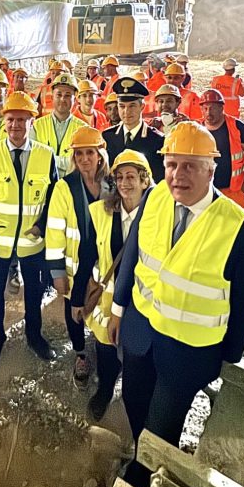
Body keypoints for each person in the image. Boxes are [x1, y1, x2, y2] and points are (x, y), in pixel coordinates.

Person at [109, 122, 244, 487]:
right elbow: (134, 254)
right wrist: (119, 310)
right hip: (141, 338)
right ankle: (144, 461)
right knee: (137, 409)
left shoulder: (237, 229)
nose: (179, 175)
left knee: (161, 435)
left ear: (211, 168)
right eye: (172, 164)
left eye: (191, 166)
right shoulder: (156, 197)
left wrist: (225, 356)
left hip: (187, 355)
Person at [0, 92, 58, 375]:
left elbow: (54, 199)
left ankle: (34, 336)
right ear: (4, 122)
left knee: (34, 293)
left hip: (32, 241)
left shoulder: (45, 156)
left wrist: (41, 226)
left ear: (31, 122)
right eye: (11, 119)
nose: (15, 125)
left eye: (22, 120)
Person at [72, 150, 152, 421]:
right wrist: (76, 297)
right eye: (119, 177)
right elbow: (86, 256)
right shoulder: (100, 213)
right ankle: (105, 390)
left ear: (144, 180)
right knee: (105, 350)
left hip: (140, 304)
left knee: (136, 357)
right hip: (107, 302)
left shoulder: (158, 217)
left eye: (131, 176)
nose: (124, 183)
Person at [45, 128, 110, 388]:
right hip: (74, 267)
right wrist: (57, 273)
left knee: (103, 309)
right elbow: (54, 231)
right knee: (75, 313)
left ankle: (104, 349)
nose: (84, 159)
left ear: (99, 155)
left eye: (90, 153)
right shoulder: (65, 187)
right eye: (79, 153)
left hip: (105, 268)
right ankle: (81, 353)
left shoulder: (112, 183)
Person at [199, 89, 244, 209]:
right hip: (205, 191)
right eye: (205, 109)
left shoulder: (238, 128)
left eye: (213, 108)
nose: (208, 113)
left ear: (221, 108)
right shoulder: (197, 129)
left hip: (233, 192)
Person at [102, 78, 165, 183]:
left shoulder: (157, 140)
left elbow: (158, 179)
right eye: (122, 106)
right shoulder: (107, 137)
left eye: (132, 106)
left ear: (142, 106)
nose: (126, 111)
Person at [32, 73, 86, 177]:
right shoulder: (37, 126)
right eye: (59, 95)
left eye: (67, 95)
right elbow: (33, 157)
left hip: (70, 187)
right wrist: (66, 163)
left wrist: (47, 157)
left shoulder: (82, 129)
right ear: (52, 97)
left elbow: (80, 163)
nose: (62, 99)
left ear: (75, 100)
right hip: (42, 186)